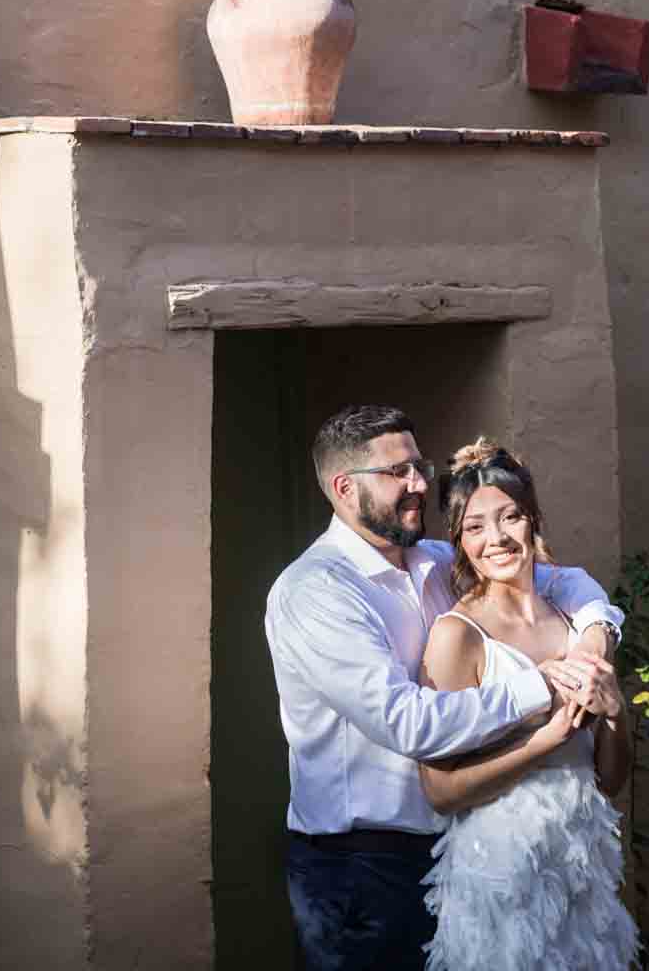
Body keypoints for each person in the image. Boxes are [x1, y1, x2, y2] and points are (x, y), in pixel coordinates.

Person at [265, 404, 622, 971]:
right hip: (362, 865)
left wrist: (596, 639)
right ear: (343, 488)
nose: (418, 485)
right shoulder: (316, 590)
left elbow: (567, 580)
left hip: (458, 847)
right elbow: (408, 723)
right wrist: (547, 688)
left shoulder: (433, 560)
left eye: (419, 467)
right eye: (397, 473)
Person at [418, 437, 638, 971]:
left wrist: (614, 713)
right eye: (474, 526)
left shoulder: (573, 621)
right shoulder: (457, 636)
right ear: (458, 541)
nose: (496, 538)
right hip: (500, 874)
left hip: (579, 866)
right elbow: (440, 792)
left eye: (510, 517)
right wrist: (543, 742)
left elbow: (609, 780)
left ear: (533, 519)